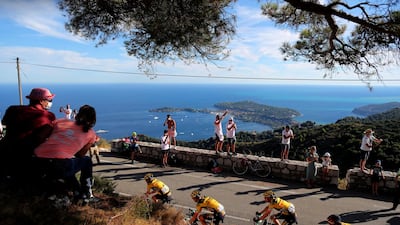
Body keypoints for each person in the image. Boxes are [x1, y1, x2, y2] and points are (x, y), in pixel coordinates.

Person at [34, 105, 97, 200]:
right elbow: (80, 155)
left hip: (37, 160)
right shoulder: (91, 134)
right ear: (93, 119)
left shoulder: (60, 121)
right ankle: (86, 192)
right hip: (60, 166)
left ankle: (78, 192)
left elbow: (40, 137)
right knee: (86, 160)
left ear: (78, 114)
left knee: (66, 162)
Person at [0, 87, 56, 179]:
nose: (50, 102)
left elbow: (5, 122)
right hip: (27, 159)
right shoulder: (48, 116)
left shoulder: (12, 110)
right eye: (49, 100)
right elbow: (41, 138)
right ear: (41, 101)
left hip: (4, 152)